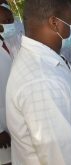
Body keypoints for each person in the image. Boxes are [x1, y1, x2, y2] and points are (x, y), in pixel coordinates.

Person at [5, 0, 71, 164]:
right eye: (70, 22)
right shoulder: (41, 79)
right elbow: (62, 158)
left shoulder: (45, 62)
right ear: (54, 23)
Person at [0, 6, 13, 165]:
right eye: (6, 21)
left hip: (13, 123)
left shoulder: (8, 43)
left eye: (12, 20)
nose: (11, 24)